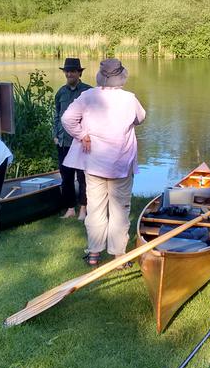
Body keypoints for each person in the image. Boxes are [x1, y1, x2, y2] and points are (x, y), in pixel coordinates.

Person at [61, 58, 146, 268]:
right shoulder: (129, 98)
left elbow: (67, 119)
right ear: (120, 77)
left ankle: (93, 254)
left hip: (94, 162)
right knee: (119, 210)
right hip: (120, 162)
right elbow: (140, 118)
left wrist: (82, 135)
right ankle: (118, 257)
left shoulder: (88, 96)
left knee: (96, 208)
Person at [54, 57, 92, 220]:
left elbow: (94, 117)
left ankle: (83, 209)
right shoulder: (61, 92)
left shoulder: (89, 92)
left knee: (83, 177)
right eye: (66, 71)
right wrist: (55, 135)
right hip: (63, 142)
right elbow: (57, 115)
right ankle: (70, 208)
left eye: (72, 71)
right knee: (66, 176)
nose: (69, 74)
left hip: (81, 142)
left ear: (79, 73)